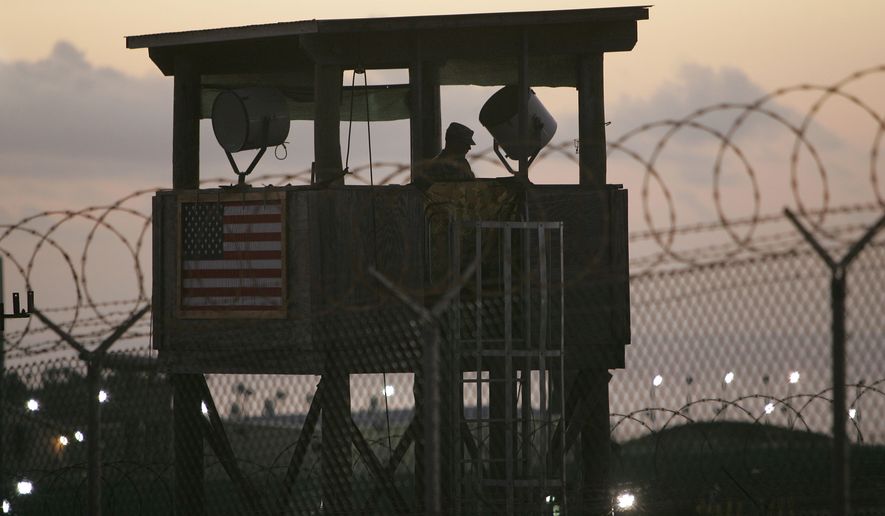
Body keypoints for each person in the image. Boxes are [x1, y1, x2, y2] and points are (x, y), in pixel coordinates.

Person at [414, 122, 476, 189]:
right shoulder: (432, 168)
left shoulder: (464, 164)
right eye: (466, 144)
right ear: (454, 142)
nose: (469, 148)